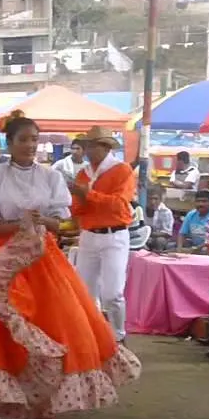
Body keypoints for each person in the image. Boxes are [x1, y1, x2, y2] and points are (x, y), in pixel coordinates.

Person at [0, 111, 141, 419]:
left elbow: (64, 223)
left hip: (42, 260)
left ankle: (45, 406)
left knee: (54, 324)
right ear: (9, 143)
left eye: (34, 139)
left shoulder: (51, 177)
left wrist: (43, 222)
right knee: (3, 334)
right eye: (23, 140)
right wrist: (17, 224)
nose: (29, 145)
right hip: (3, 261)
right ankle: (9, 402)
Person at [70, 126, 136, 345]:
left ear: (105, 147)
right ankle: (95, 335)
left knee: (112, 293)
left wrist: (88, 195)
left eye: (91, 145)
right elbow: (78, 209)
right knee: (86, 293)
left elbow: (119, 204)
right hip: (89, 235)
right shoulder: (83, 173)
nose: (87, 150)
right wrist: (76, 201)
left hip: (114, 235)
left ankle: (118, 336)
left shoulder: (122, 170)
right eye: (87, 145)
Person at [147, 186, 175, 251]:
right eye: (150, 199)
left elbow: (167, 233)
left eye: (155, 199)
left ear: (160, 199)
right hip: (144, 237)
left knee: (160, 241)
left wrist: (150, 234)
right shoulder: (141, 209)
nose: (152, 202)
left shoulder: (166, 212)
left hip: (157, 238)